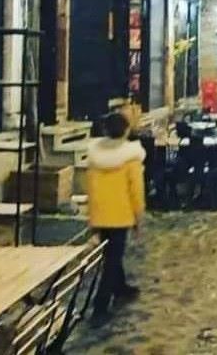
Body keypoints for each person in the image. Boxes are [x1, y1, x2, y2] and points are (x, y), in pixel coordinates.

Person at [86, 110, 146, 326]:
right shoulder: (131, 157)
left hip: (100, 214)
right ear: (126, 130)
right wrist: (139, 218)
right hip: (121, 214)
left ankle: (121, 288)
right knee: (112, 260)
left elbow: (90, 188)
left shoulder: (95, 157)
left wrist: (91, 217)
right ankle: (100, 306)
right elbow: (136, 191)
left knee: (111, 255)